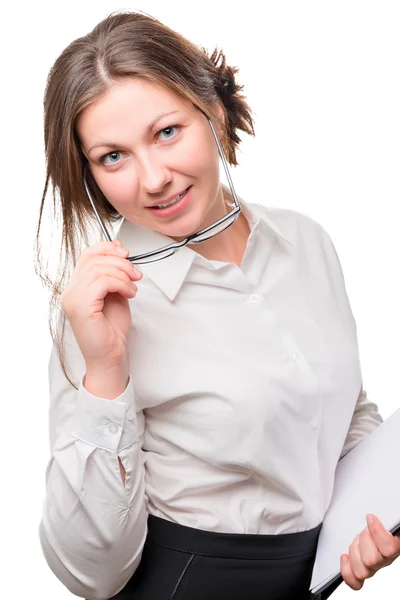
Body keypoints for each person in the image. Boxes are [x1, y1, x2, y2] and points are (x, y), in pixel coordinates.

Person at [36, 10, 400, 600]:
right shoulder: (98, 312)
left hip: (312, 579)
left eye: (166, 132)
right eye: (113, 157)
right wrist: (105, 374)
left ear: (214, 109)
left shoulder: (306, 242)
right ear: (90, 175)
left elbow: (341, 412)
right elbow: (89, 573)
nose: (153, 178)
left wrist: (371, 518)